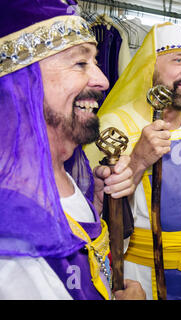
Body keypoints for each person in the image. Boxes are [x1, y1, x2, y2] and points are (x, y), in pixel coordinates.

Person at [0, 0, 145, 300]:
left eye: (94, 61)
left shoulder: (66, 172)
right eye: (80, 63)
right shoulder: (12, 236)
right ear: (23, 82)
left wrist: (97, 205)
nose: (103, 80)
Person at [84, 22, 181, 300]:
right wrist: (138, 159)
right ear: (150, 66)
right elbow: (95, 213)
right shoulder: (115, 125)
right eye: (178, 60)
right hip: (142, 272)